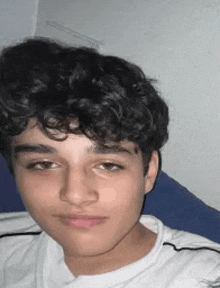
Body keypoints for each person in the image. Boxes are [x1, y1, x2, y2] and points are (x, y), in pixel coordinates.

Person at [0, 37, 219, 288]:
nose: (75, 195)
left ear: (148, 172)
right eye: (44, 164)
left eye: (107, 165)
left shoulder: (206, 277)